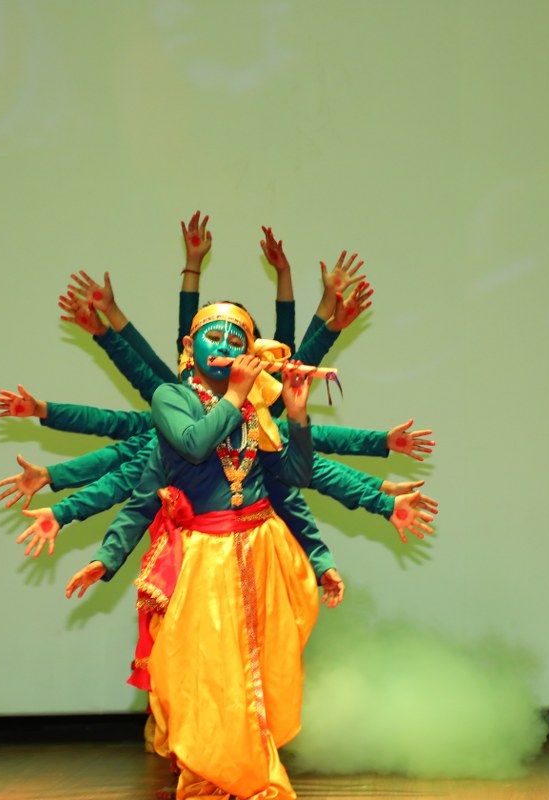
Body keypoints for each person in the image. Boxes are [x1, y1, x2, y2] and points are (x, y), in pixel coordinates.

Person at [65, 302, 337, 800]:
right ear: (190, 348)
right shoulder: (171, 398)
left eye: (238, 341)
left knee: (257, 676)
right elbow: (184, 454)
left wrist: (297, 416)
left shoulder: (254, 411)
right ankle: (220, 772)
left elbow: (294, 479)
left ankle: (243, 770)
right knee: (204, 673)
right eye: (216, 337)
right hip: (205, 564)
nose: (227, 348)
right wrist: (105, 558)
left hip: (264, 553)